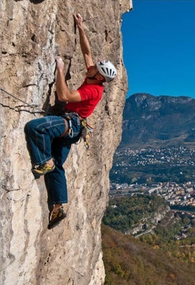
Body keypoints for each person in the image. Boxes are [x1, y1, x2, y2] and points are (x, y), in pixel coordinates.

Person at [24, 13, 117, 229]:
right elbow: (87, 52)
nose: (92, 66)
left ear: (100, 76)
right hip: (73, 128)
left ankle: (43, 160)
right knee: (57, 167)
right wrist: (81, 28)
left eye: (96, 68)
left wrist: (59, 70)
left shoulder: (94, 90)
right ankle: (59, 206)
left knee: (35, 128)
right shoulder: (93, 76)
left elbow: (64, 96)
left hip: (71, 123)